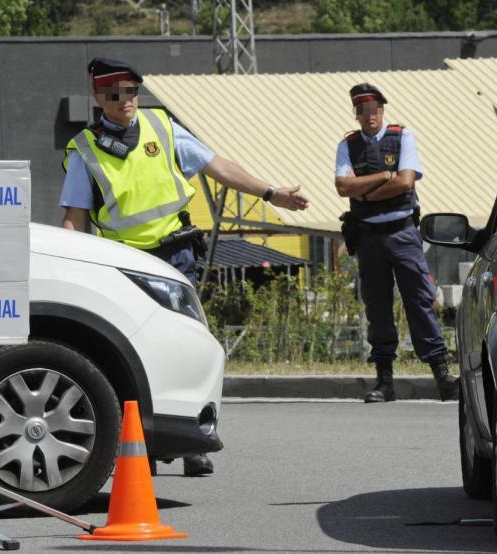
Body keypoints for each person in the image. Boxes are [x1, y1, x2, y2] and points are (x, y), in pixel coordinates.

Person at [60, 57, 308, 475]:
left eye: (133, 92)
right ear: (99, 97)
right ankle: (140, 443)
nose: (128, 102)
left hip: (176, 255)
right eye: (117, 95)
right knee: (131, 350)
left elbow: (218, 165)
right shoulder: (84, 149)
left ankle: (194, 438)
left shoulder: (161, 126)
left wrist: (270, 193)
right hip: (123, 264)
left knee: (188, 345)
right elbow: (75, 217)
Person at [334, 83, 459, 403]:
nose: (369, 115)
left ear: (382, 110)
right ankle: (384, 381)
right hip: (368, 237)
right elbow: (343, 187)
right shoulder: (347, 145)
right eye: (362, 110)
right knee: (377, 307)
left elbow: (406, 181)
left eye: (374, 109)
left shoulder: (402, 136)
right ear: (356, 113)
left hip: (402, 232)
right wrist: (383, 178)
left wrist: (366, 191)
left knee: (420, 300)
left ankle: (442, 377)